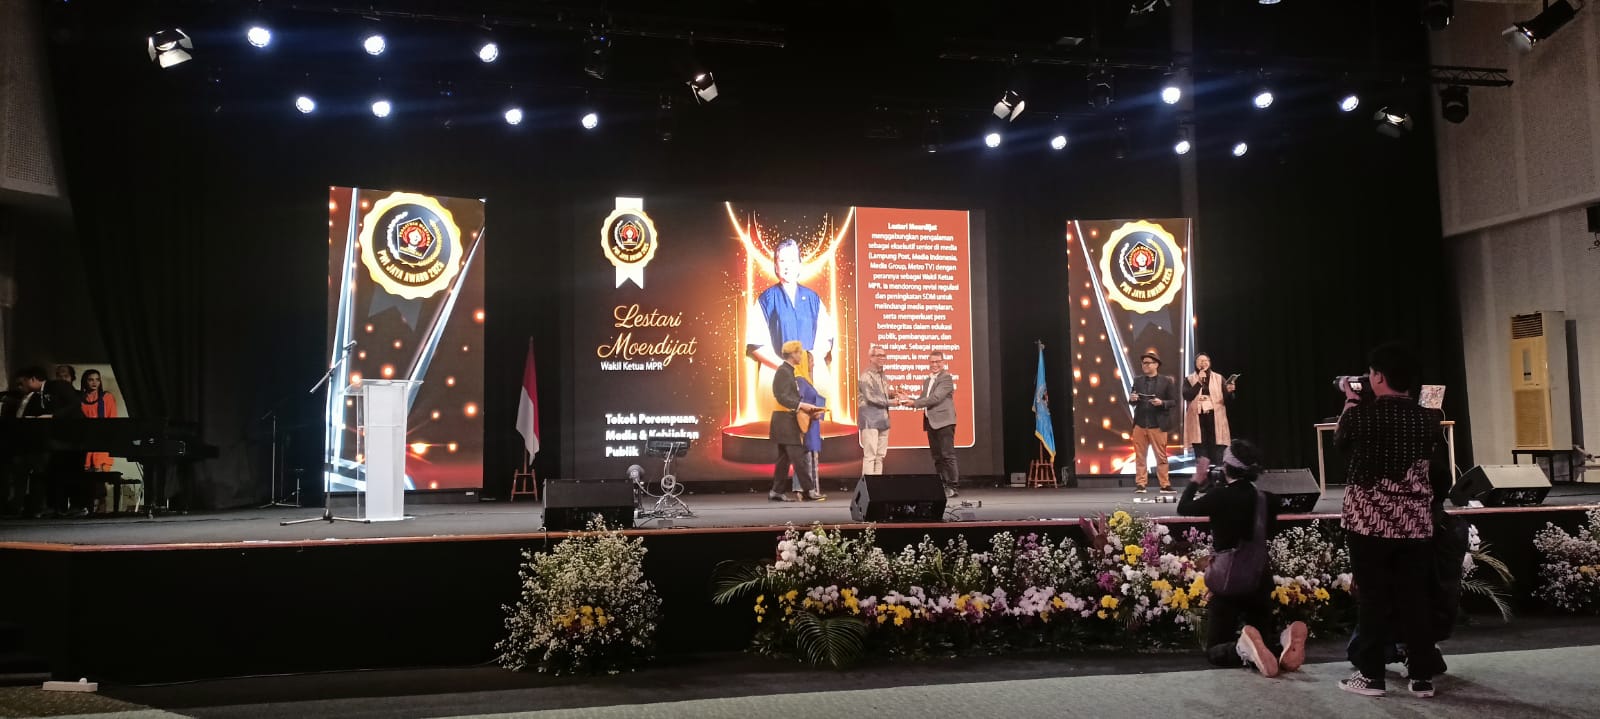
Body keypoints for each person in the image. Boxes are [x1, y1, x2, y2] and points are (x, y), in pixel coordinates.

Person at [1335, 342, 1445, 698]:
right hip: (1415, 522)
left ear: (1379, 377)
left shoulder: (1361, 415)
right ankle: (1422, 677)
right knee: (1415, 598)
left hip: (1369, 522)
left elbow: (1340, 443)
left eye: (1371, 373)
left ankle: (1371, 675)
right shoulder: (1428, 418)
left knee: (1373, 598)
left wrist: (1351, 400)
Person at [1178, 439, 1309, 677]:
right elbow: (1270, 531)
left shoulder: (1219, 496)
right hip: (1259, 579)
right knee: (1263, 639)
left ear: (1226, 468)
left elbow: (1184, 507)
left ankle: (1241, 649)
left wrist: (1197, 479)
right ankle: (1283, 640)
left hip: (1228, 582)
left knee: (1215, 650)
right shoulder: (1266, 499)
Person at [745, 238, 838, 403]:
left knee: (814, 417)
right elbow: (755, 344)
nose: (788, 266)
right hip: (777, 375)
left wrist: (808, 362)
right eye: (782, 261)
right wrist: (787, 368)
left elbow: (826, 338)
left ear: (800, 264)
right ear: (775, 266)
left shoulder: (813, 299)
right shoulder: (766, 300)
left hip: (812, 374)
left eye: (792, 260)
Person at [769, 340, 826, 502]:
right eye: (799, 352)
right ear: (792, 354)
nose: (801, 356)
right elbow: (781, 396)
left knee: (784, 459)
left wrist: (805, 408)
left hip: (786, 420)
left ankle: (776, 491)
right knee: (798, 457)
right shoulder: (783, 371)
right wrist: (802, 405)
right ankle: (809, 490)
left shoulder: (789, 371)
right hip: (784, 421)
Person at [900, 350, 959, 497]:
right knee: (937, 457)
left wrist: (914, 403)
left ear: (943, 363)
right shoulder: (928, 380)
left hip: (944, 422)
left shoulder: (946, 378)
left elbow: (936, 398)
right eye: (932, 362)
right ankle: (942, 485)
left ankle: (953, 486)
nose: (935, 364)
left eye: (938, 362)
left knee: (947, 455)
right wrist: (909, 400)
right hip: (931, 422)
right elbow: (923, 399)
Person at [1127, 351, 1178, 494]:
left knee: (1161, 456)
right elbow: (1132, 401)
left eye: (1148, 363)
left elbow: (1173, 401)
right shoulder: (1137, 380)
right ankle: (1141, 484)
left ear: (1156, 365)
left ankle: (1165, 484)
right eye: (1143, 363)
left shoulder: (1166, 381)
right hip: (1140, 423)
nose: (1145, 366)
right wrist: (1132, 399)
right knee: (1140, 456)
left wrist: (1162, 403)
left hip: (1158, 424)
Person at [1182, 353, 1236, 474]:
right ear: (1195, 364)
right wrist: (1199, 382)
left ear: (1209, 363)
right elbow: (1187, 396)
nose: (1203, 363)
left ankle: (1218, 477)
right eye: (1200, 361)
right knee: (1200, 448)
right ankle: (1202, 479)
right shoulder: (1189, 379)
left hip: (1215, 417)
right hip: (1197, 418)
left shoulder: (1219, 378)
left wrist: (1230, 392)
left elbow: (1228, 400)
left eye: (1205, 360)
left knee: (1217, 447)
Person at [856, 344, 897, 475]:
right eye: (878, 355)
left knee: (880, 456)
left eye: (883, 355)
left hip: (883, 420)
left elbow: (881, 394)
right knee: (870, 456)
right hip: (870, 421)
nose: (882, 358)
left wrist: (893, 394)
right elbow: (870, 398)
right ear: (871, 358)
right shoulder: (866, 376)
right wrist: (891, 402)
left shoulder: (882, 375)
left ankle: (877, 485)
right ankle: (868, 486)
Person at [794, 350, 827, 498]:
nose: (813, 364)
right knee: (808, 456)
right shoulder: (801, 381)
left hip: (811, 423)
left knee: (805, 456)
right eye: (811, 361)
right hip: (807, 424)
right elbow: (798, 403)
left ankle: (803, 490)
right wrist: (813, 411)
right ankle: (810, 490)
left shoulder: (805, 380)